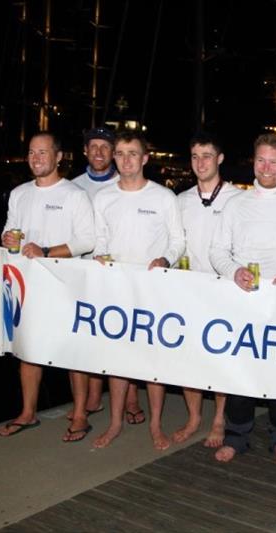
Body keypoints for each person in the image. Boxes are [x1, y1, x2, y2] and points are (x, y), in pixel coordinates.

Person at [210, 133, 276, 470]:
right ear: (253, 161)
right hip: (242, 300)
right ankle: (236, 437)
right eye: (261, 160)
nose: (266, 167)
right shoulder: (235, 203)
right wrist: (234, 271)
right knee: (240, 374)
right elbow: (217, 251)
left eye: (274, 161)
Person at [91, 130, 185, 450]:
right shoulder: (103, 197)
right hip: (115, 291)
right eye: (120, 153)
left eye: (133, 153)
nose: (126, 160)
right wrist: (98, 256)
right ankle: (115, 423)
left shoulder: (163, 197)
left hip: (152, 292)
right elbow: (99, 239)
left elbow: (178, 241)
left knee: (151, 362)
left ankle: (156, 426)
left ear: (145, 159)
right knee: (117, 360)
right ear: (114, 158)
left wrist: (166, 258)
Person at [0, 131, 95, 442]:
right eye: (31, 152)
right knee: (27, 350)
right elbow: (10, 230)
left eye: (43, 152)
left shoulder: (74, 195)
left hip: (65, 283)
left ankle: (80, 415)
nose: (36, 158)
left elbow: (87, 240)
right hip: (27, 283)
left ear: (58, 157)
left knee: (73, 352)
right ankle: (28, 412)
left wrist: (48, 251)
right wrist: (8, 239)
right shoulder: (19, 193)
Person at [173, 133, 242, 447]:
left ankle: (218, 420)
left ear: (220, 159)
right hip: (188, 291)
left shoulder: (236, 200)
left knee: (219, 359)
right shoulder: (181, 200)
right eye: (195, 156)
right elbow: (173, 245)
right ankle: (194, 417)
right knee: (189, 360)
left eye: (206, 155)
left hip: (223, 292)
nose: (200, 162)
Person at [69, 126, 120, 419]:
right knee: (81, 337)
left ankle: (119, 399)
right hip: (81, 274)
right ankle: (87, 399)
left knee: (113, 338)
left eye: (105, 147)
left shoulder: (125, 184)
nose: (99, 152)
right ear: (85, 151)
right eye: (94, 146)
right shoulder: (72, 187)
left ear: (113, 152)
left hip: (115, 275)